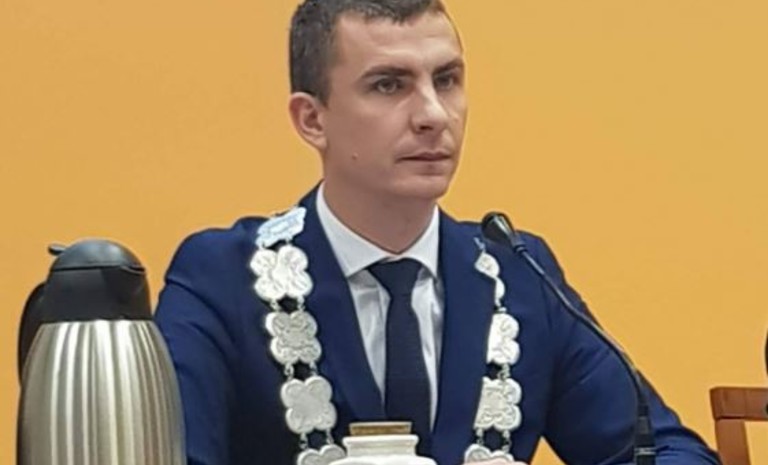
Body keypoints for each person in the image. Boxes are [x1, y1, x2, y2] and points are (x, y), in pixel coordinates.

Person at [154, 1, 720, 464]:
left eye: (446, 80)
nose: (433, 114)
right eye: (388, 85)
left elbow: (670, 453)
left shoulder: (519, 271)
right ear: (312, 119)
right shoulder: (222, 277)